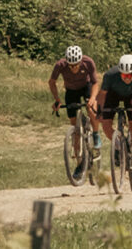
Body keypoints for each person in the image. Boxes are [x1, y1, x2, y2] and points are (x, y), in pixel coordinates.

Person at [89, 54, 132, 179]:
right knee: (105, 125)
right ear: (119, 72)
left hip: (131, 95)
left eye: (129, 75)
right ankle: (118, 145)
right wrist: (100, 111)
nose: (127, 78)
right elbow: (102, 94)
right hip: (113, 95)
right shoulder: (110, 75)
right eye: (123, 75)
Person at [49, 45, 102, 180]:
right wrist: (57, 100)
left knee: (91, 108)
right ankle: (80, 162)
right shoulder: (60, 65)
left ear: (80, 61)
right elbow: (52, 82)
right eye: (71, 65)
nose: (73, 68)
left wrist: (93, 98)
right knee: (74, 126)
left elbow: (96, 83)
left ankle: (95, 134)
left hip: (86, 87)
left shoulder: (88, 62)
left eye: (76, 65)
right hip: (71, 91)